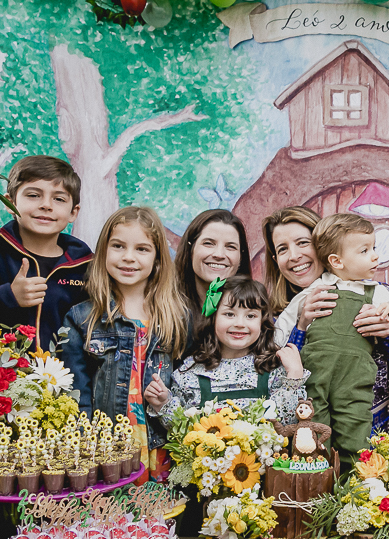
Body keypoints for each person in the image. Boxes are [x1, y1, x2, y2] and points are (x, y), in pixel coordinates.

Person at [60, 206, 186, 481]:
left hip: (160, 447)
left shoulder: (174, 318)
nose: (129, 257)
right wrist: (85, 448)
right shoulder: (82, 318)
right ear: (104, 251)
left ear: (157, 259)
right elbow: (76, 395)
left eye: (142, 249)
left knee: (157, 508)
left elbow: (186, 387)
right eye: (118, 246)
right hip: (106, 448)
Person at [262, 206, 389, 431]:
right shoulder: (274, 317)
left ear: (326, 245)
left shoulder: (379, 294)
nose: (294, 256)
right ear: (276, 259)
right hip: (307, 436)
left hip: (372, 431)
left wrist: (387, 335)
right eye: (283, 249)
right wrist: (301, 327)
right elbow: (272, 383)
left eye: (303, 243)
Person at [0, 155, 90, 350]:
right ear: (10, 202)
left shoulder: (86, 266)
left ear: (73, 212)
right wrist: (8, 296)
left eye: (58, 199)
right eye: (33, 195)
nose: (46, 205)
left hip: (64, 370)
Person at [148, 277, 307, 426]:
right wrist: (164, 404)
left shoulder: (273, 369)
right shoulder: (191, 374)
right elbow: (181, 429)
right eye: (229, 314)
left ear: (262, 321)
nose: (240, 323)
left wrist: (294, 376)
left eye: (251, 316)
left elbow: (287, 424)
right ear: (213, 318)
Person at [172, 209, 251, 354]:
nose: (219, 254)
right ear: (190, 249)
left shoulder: (256, 313)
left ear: (241, 257)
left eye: (230, 247)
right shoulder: (165, 311)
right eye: (208, 243)